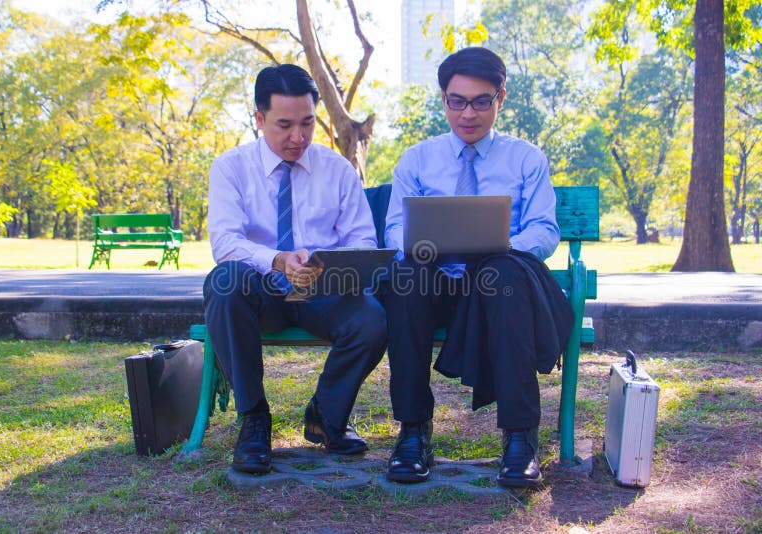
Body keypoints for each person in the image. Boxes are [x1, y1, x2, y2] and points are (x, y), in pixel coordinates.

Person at [383, 47, 573, 487]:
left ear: (501, 97)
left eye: (481, 101)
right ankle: (413, 432)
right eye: (457, 101)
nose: (468, 113)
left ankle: (520, 438)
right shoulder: (417, 160)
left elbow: (544, 229)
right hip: (438, 284)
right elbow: (394, 228)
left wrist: (502, 247)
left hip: (499, 289)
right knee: (405, 277)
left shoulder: (526, 158)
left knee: (503, 274)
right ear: (443, 99)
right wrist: (419, 246)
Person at [204, 64, 387, 474]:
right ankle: (253, 419)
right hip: (260, 290)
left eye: (307, 123)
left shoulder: (337, 170)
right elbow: (226, 243)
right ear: (258, 118)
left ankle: (327, 414)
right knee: (224, 282)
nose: (298, 137)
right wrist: (277, 259)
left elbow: (363, 241)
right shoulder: (230, 168)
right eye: (284, 125)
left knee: (372, 319)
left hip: (321, 289)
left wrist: (324, 263)